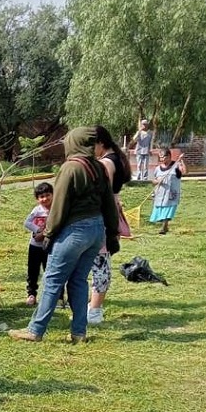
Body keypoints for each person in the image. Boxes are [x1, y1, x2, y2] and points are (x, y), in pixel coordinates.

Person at [9, 127, 119, 343]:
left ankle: (35, 330)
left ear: (73, 143)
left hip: (74, 231)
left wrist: (48, 234)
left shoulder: (70, 168)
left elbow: (59, 205)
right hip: (96, 231)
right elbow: (109, 204)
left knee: (52, 280)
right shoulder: (98, 167)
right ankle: (79, 332)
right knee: (78, 281)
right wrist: (112, 234)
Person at [87, 126, 132, 324]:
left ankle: (95, 311)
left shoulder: (106, 163)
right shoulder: (117, 158)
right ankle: (93, 306)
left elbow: (103, 193)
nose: (90, 150)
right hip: (112, 213)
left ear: (101, 143)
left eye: (92, 145)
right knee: (101, 260)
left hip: (105, 216)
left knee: (100, 262)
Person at [23, 182, 54, 306]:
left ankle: (57, 296)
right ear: (37, 199)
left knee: (51, 270)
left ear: (53, 195)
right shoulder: (37, 210)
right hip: (35, 246)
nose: (45, 199)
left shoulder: (56, 209)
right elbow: (27, 223)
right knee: (33, 271)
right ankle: (31, 294)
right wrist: (38, 230)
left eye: (47, 195)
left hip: (51, 246)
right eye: (41, 197)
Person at [150, 149, 187, 235]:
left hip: (171, 194)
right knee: (160, 210)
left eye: (164, 157)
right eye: (160, 157)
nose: (162, 159)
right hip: (160, 194)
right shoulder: (157, 169)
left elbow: (185, 172)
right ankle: (165, 226)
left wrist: (182, 161)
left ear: (169, 156)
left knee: (168, 210)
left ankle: (163, 227)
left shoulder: (176, 166)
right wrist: (157, 181)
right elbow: (153, 181)